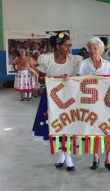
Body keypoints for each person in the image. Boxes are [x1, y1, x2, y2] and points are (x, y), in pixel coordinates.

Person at [32, 32, 82, 171]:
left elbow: (80, 76)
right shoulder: (46, 59)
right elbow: (41, 75)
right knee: (56, 125)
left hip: (69, 98)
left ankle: (69, 155)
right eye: (66, 45)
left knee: (69, 125)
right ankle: (61, 154)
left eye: (70, 45)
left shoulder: (74, 60)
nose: (69, 48)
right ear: (58, 46)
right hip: (52, 98)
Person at [76, 37, 110, 171]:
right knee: (91, 131)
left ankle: (108, 159)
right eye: (91, 48)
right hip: (88, 105)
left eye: (96, 48)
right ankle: (95, 157)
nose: (93, 51)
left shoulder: (108, 66)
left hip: (105, 105)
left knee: (107, 130)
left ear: (101, 49)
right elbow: (75, 82)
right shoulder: (83, 64)